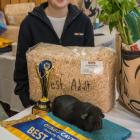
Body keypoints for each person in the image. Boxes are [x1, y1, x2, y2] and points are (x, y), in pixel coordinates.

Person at [14, 0, 94, 108]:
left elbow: (90, 67)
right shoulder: (29, 24)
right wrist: (28, 103)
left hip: (76, 107)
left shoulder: (84, 22)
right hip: (40, 106)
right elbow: (21, 71)